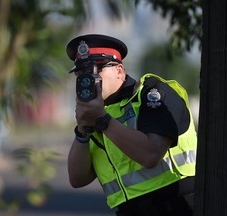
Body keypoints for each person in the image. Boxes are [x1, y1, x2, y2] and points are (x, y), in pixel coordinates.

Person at [66, 34, 197, 216]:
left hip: (177, 207)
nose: (89, 78)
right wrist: (82, 132)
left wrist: (103, 121)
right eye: (82, 73)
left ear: (120, 70)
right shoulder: (99, 113)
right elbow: (77, 179)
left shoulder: (151, 94)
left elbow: (151, 154)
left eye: (98, 69)